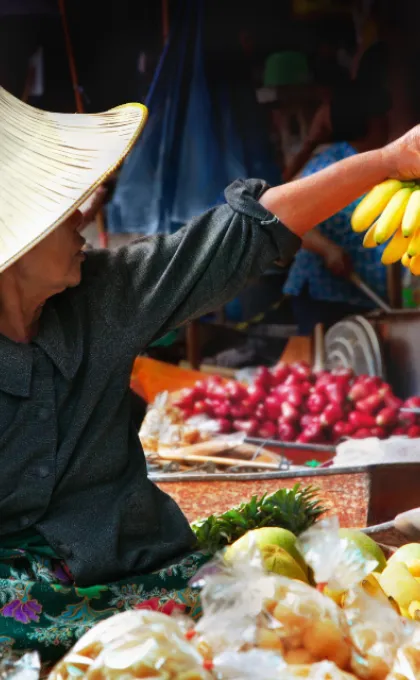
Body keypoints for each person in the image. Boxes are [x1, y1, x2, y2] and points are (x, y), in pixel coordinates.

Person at [1, 85, 420, 664]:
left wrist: (389, 160)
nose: (81, 220)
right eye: (59, 212)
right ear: (15, 248)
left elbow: (242, 235)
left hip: (145, 575)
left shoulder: (106, 297)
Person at [283, 83, 391, 335]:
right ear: (371, 120)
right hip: (325, 301)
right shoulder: (329, 165)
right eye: (383, 113)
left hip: (366, 300)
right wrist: (327, 249)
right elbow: (284, 216)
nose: (387, 121)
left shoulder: (379, 165)